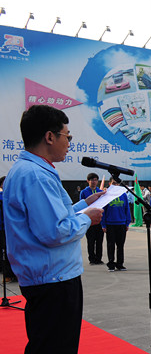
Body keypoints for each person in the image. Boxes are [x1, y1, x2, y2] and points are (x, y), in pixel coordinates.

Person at [3, 105, 105, 353]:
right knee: (55, 346)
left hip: (47, 277)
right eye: (67, 136)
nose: (69, 142)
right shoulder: (36, 175)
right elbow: (55, 231)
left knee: (47, 343)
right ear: (49, 136)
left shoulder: (30, 170)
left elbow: (53, 216)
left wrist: (83, 205)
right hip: (53, 280)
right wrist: (87, 218)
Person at [101, 178, 131, 272]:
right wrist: (103, 225)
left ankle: (120, 264)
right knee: (111, 245)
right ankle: (111, 264)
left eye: (117, 183)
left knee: (120, 245)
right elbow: (103, 211)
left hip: (121, 224)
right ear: (110, 184)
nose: (115, 185)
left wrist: (127, 222)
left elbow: (127, 209)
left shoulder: (123, 195)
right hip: (110, 224)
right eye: (113, 183)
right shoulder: (106, 195)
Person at [80, 172, 105, 265]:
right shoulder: (84, 192)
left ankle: (99, 258)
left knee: (99, 240)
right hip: (89, 220)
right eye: (91, 180)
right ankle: (92, 259)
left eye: (95, 180)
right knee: (91, 240)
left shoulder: (100, 191)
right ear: (88, 181)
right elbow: (82, 206)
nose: (93, 182)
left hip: (99, 220)